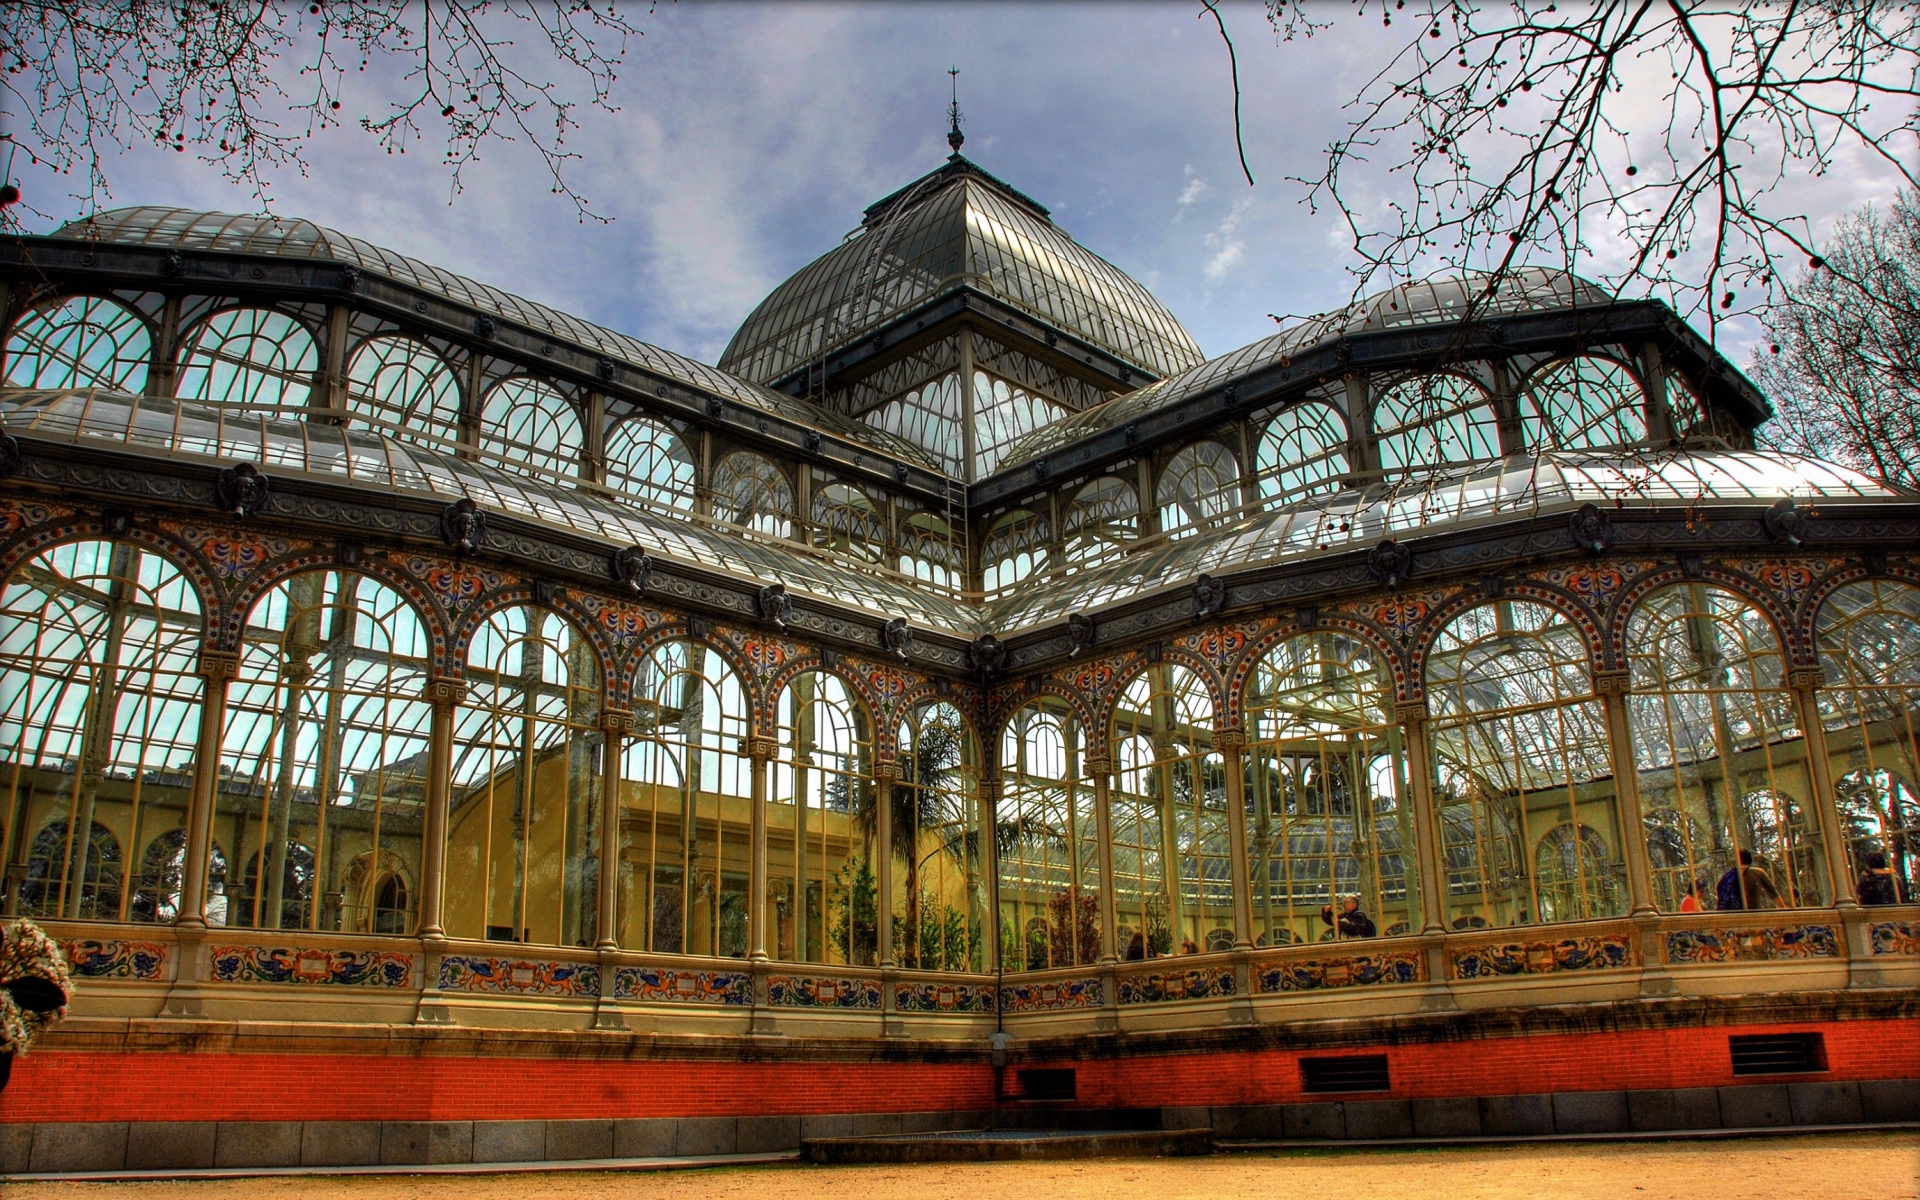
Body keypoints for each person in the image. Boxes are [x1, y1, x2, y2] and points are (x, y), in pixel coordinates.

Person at [1716, 849, 1781, 910]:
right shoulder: (1757, 872)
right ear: (1750, 859)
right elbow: (1773, 893)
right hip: (1752, 914)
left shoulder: (1727, 876)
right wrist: (1784, 910)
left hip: (1729, 915)